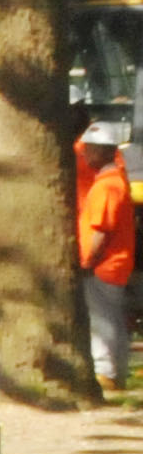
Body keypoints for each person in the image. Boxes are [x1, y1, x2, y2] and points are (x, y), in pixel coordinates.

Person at [77, 122, 132, 388]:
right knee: (114, 319)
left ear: (100, 152)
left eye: (88, 151)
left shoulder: (106, 187)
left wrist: (87, 262)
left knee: (101, 321)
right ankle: (118, 372)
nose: (85, 156)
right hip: (115, 264)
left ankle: (106, 373)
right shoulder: (117, 180)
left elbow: (100, 231)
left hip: (104, 266)